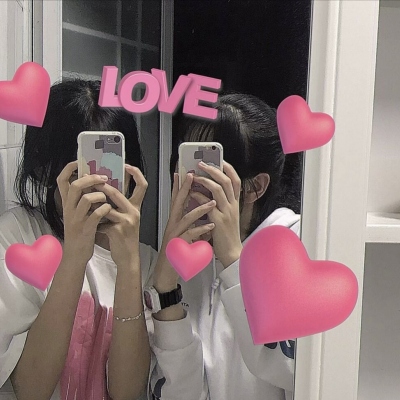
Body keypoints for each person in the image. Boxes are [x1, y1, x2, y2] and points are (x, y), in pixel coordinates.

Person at [0, 79, 157, 400]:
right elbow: (31, 390)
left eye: (109, 170)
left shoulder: (144, 260)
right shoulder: (16, 238)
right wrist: (75, 255)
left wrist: (129, 264)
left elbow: (127, 392)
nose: (96, 184)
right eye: (80, 171)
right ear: (45, 169)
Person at [148, 93, 302, 400]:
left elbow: (294, 371)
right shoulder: (190, 259)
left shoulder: (297, 245)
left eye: (211, 170)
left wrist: (234, 263)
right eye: (188, 163)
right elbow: (180, 393)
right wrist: (166, 292)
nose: (192, 181)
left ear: (256, 186)